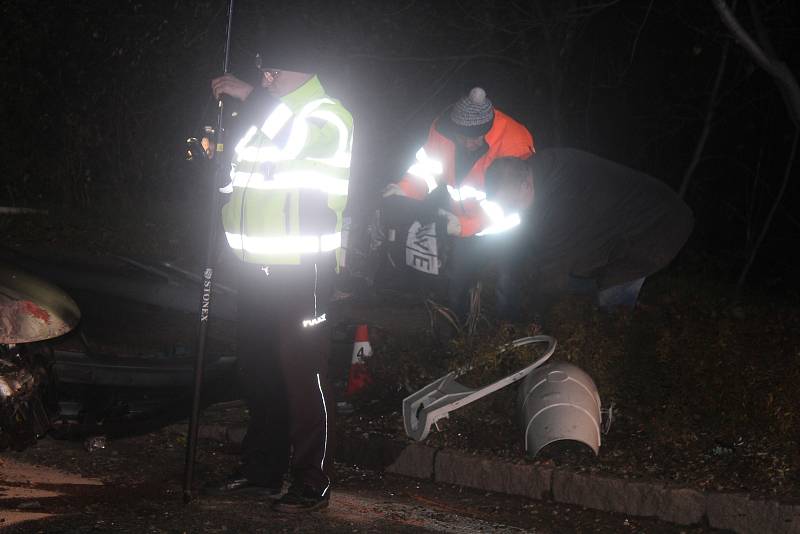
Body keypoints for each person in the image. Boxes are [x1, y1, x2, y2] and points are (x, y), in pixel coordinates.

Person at [202, 41, 354, 514]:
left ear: (302, 72)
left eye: (272, 75)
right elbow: (236, 182)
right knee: (258, 370)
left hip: (301, 271)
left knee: (302, 374)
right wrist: (217, 160)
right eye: (263, 75)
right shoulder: (269, 117)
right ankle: (261, 469)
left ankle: (313, 477)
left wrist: (253, 97)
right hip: (254, 270)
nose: (265, 80)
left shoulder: (327, 116)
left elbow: (291, 140)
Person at [481, 150, 694, 320]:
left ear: (525, 184)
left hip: (658, 225)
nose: (509, 211)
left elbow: (553, 275)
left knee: (611, 298)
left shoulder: (559, 203)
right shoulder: (538, 169)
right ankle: (641, 310)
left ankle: (632, 339)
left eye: (510, 204)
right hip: (620, 223)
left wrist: (535, 322)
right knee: (582, 276)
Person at [380, 87, 534, 316]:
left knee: (507, 284)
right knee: (456, 283)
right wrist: (405, 190)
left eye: (477, 138)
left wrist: (466, 226)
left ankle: (507, 337)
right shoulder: (441, 131)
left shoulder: (514, 140)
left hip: (506, 228)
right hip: (462, 222)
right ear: (454, 129)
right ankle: (458, 338)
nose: (471, 144)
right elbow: (428, 169)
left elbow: (511, 204)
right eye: (465, 138)